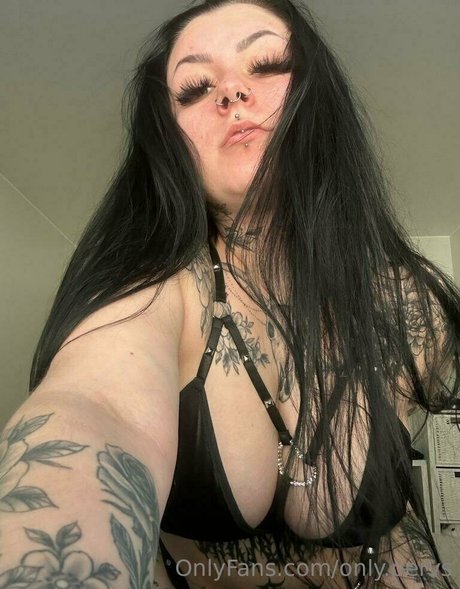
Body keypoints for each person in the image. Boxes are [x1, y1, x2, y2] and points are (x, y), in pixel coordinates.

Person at [1, 0, 459, 588]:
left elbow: (392, 516)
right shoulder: (153, 294)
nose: (231, 92)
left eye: (265, 64)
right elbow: (93, 409)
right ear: (170, 142)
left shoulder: (409, 303)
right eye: (195, 88)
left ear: (318, 96)